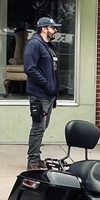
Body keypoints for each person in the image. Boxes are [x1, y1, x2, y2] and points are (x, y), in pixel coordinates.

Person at [24, 16, 61, 170]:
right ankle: (32, 161)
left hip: (49, 95)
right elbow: (29, 68)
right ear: (44, 29)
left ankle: (36, 158)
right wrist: (46, 84)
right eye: (53, 28)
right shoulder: (34, 44)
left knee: (42, 127)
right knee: (38, 127)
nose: (56, 30)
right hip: (39, 94)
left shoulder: (48, 46)